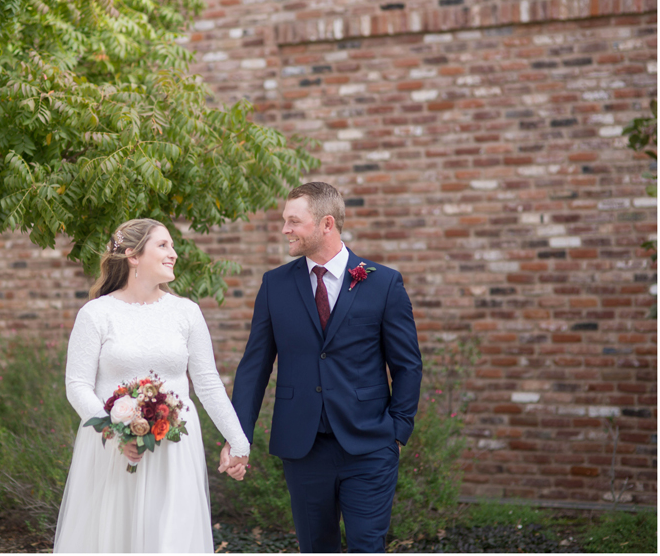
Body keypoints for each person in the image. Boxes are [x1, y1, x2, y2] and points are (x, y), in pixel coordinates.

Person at [221, 182, 422, 553]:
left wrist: (398, 429)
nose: (285, 229)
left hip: (370, 444)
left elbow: (407, 365)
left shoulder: (383, 283)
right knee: (315, 548)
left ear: (326, 224)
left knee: (367, 547)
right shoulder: (274, 285)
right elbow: (254, 368)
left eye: (294, 221)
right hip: (303, 447)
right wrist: (238, 437)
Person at [54, 218, 250, 553]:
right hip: (115, 449)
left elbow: (207, 383)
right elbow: (77, 385)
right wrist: (116, 432)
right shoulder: (96, 314)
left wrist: (238, 442)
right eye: (163, 245)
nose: (174, 253)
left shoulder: (186, 312)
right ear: (133, 256)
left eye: (172, 245)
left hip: (175, 448)